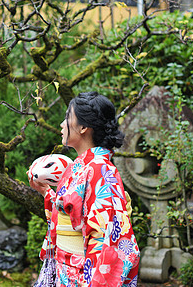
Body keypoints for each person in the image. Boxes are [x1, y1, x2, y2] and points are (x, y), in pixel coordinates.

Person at [29, 91, 140, 287]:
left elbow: (107, 237)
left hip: (83, 277)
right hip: (66, 271)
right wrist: (46, 193)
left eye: (67, 118)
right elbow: (74, 217)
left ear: (83, 127)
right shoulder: (79, 167)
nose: (62, 125)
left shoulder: (100, 169)